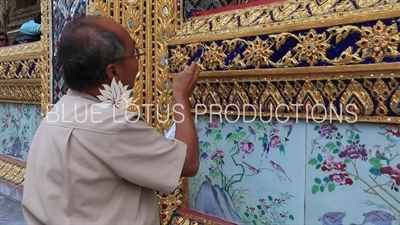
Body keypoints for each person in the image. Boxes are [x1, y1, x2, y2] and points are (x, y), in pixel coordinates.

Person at [21, 15, 200, 225]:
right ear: (114, 71)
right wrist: (180, 96)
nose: (137, 62)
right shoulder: (113, 125)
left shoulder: (55, 115)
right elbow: (187, 163)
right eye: (134, 54)